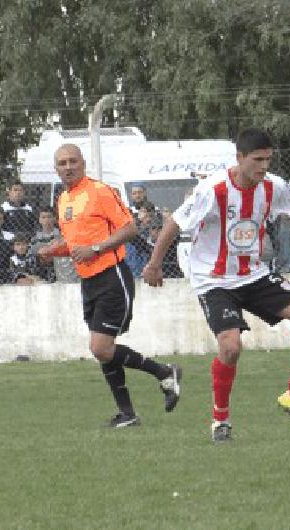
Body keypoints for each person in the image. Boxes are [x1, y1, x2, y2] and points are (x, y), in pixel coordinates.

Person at [141, 127, 290, 443]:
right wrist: (155, 263)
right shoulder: (212, 190)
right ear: (239, 158)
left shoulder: (272, 187)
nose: (263, 166)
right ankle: (221, 420)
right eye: (257, 160)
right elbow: (174, 223)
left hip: (253, 274)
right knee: (230, 347)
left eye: (268, 160)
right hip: (213, 280)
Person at [38, 143, 183, 429]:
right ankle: (127, 414)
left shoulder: (99, 191)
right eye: (62, 163)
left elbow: (130, 228)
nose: (68, 167)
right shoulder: (64, 199)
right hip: (88, 281)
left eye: (73, 161)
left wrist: (97, 248)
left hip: (111, 275)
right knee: (103, 348)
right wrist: (53, 251)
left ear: (83, 163)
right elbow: (75, 244)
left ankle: (165, 372)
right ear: (56, 169)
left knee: (101, 347)